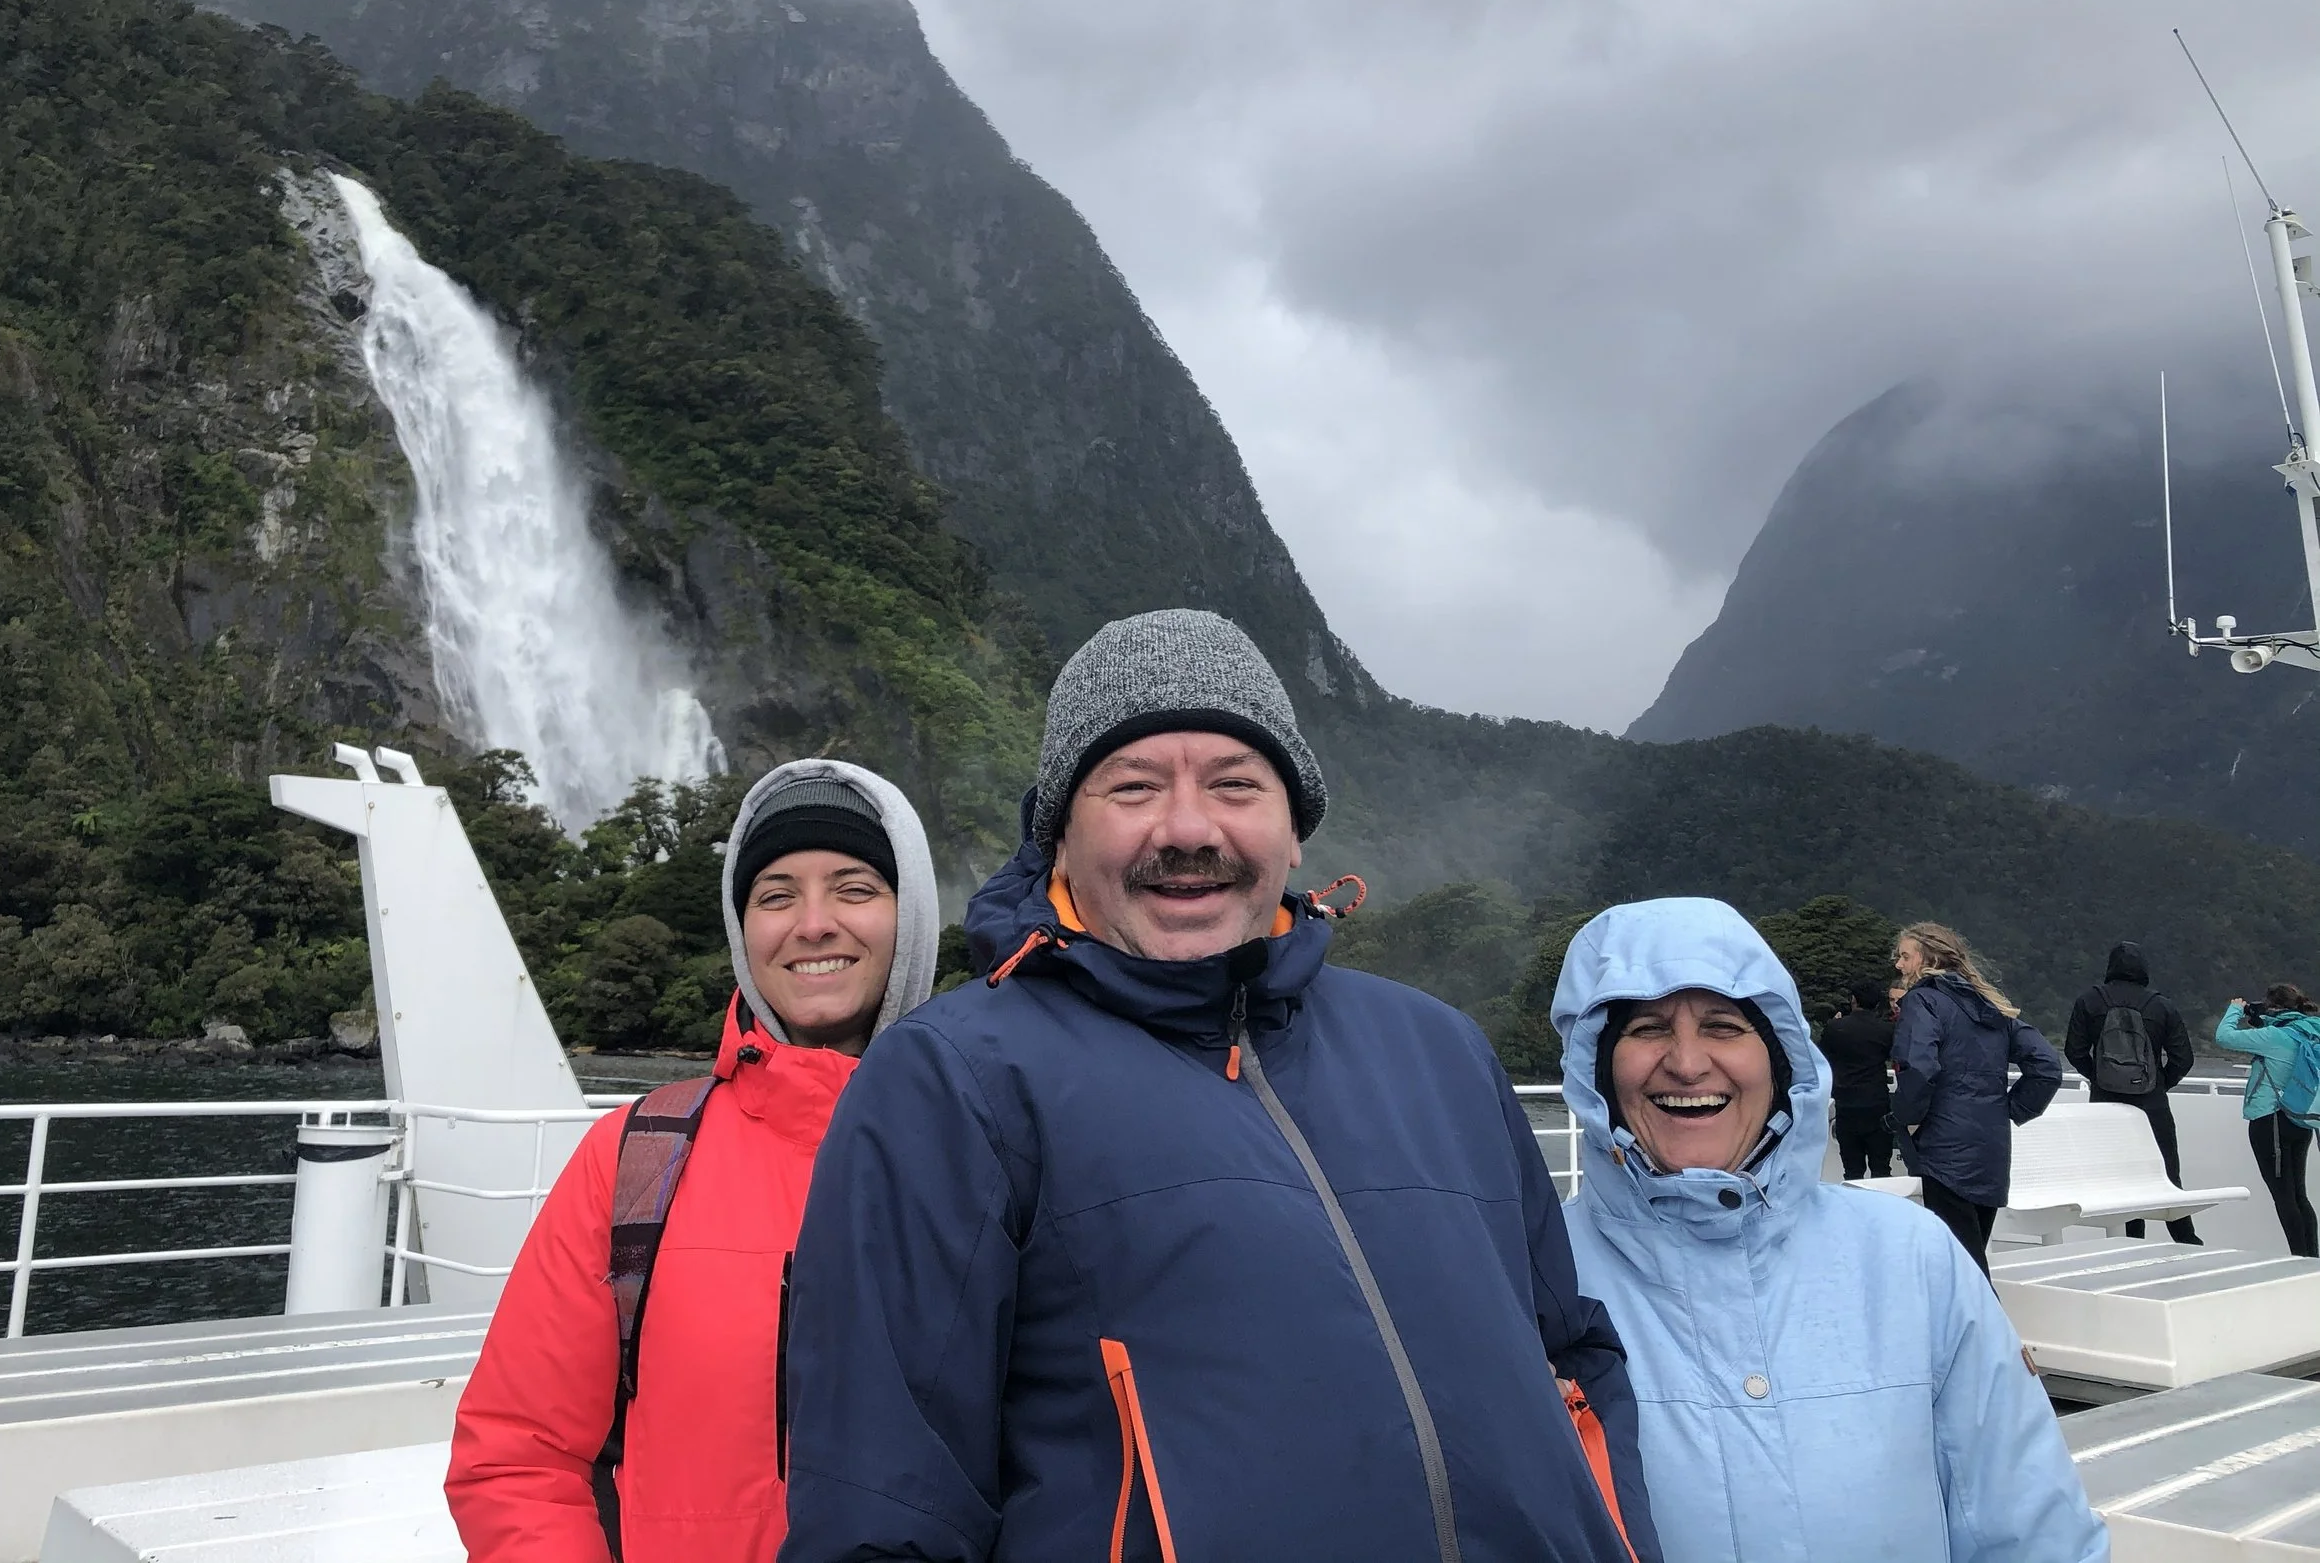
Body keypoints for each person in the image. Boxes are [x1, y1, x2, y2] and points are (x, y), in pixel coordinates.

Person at [780, 609, 1660, 1563]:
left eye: (1236, 784)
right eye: (1133, 786)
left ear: (1294, 830)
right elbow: (881, 1511)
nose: (1189, 827)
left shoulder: (1440, 1051)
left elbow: (1570, 1365)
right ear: (1059, 837)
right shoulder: (951, 1079)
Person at [444, 760, 941, 1563]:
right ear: (742, 926)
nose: (813, 923)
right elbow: (517, 1453)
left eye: (854, 887)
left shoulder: (991, 1148)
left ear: (911, 911)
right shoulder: (636, 1159)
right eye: (775, 894)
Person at [1552, 897, 2108, 1563]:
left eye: (1725, 1025)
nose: (1689, 1062)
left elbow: (2033, 1532)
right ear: (1596, 1067)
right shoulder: (1528, 1280)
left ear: (1782, 1057)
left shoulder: (1913, 1257)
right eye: (1646, 1027)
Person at [1890, 921, 2063, 1275]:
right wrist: (2008, 1109)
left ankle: (1984, 1328)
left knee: (1960, 1270)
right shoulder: (1992, 1005)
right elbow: (2046, 1065)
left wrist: (1906, 1118)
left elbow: (1918, 1067)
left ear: (1926, 957)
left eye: (1905, 956)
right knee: (1970, 1258)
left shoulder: (1923, 1001)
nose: (1899, 965)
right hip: (1991, 1145)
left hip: (1944, 1149)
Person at [2062, 943, 2201, 1244]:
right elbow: (2183, 1059)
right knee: (2167, 1177)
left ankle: (2129, 1244)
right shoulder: (2161, 1006)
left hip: (2105, 1105)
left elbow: (2074, 1050)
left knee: (2119, 1180)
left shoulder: (2089, 1001)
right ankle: (2188, 1243)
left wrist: (2099, 1078)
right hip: (2152, 1104)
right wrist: (2158, 1083)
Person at [2214, 984, 2320, 1257]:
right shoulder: (2311, 1030)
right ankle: (2312, 1261)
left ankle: (2298, 1261)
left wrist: (2235, 1009)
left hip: (2270, 1121)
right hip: (2301, 1121)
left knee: (2283, 1196)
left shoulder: (2274, 1036)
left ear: (2273, 1007)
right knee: (2299, 1194)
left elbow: (2224, 1036)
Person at [1819, 978, 1896, 1180]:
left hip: (1846, 1105)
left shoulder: (1836, 1028)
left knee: (1852, 1171)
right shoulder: (1887, 1030)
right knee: (1881, 1169)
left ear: (1854, 1000)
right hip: (1878, 1104)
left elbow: (1822, 1059)